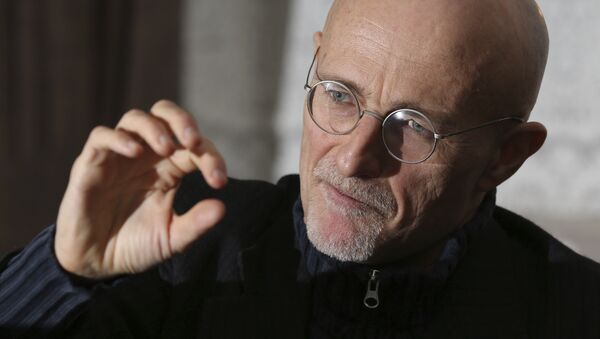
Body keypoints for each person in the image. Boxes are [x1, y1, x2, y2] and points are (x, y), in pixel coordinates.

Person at [1, 0, 599, 338]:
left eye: (414, 126)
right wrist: (63, 273)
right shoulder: (178, 246)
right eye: (339, 93)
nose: (352, 158)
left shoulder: (576, 312)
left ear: (506, 156)